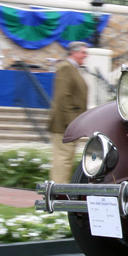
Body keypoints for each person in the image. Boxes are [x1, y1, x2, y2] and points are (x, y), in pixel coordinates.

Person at [49, 41, 89, 184]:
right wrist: (72, 123)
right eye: (83, 52)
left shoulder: (73, 68)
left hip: (70, 125)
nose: (86, 55)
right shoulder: (66, 68)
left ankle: (60, 193)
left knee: (67, 160)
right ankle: (57, 195)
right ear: (74, 52)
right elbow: (62, 97)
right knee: (63, 161)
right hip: (64, 125)